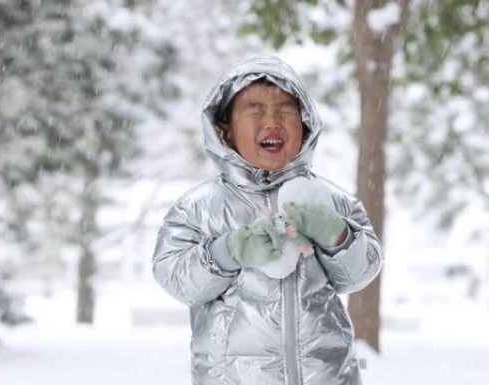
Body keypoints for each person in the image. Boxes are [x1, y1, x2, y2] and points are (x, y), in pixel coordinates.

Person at [152, 56, 383, 385]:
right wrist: (228, 251)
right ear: (225, 130)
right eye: (255, 109)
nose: (272, 120)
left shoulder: (331, 201)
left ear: (305, 124)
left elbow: (361, 273)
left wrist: (339, 236)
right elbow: (176, 277)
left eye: (286, 109)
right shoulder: (201, 207)